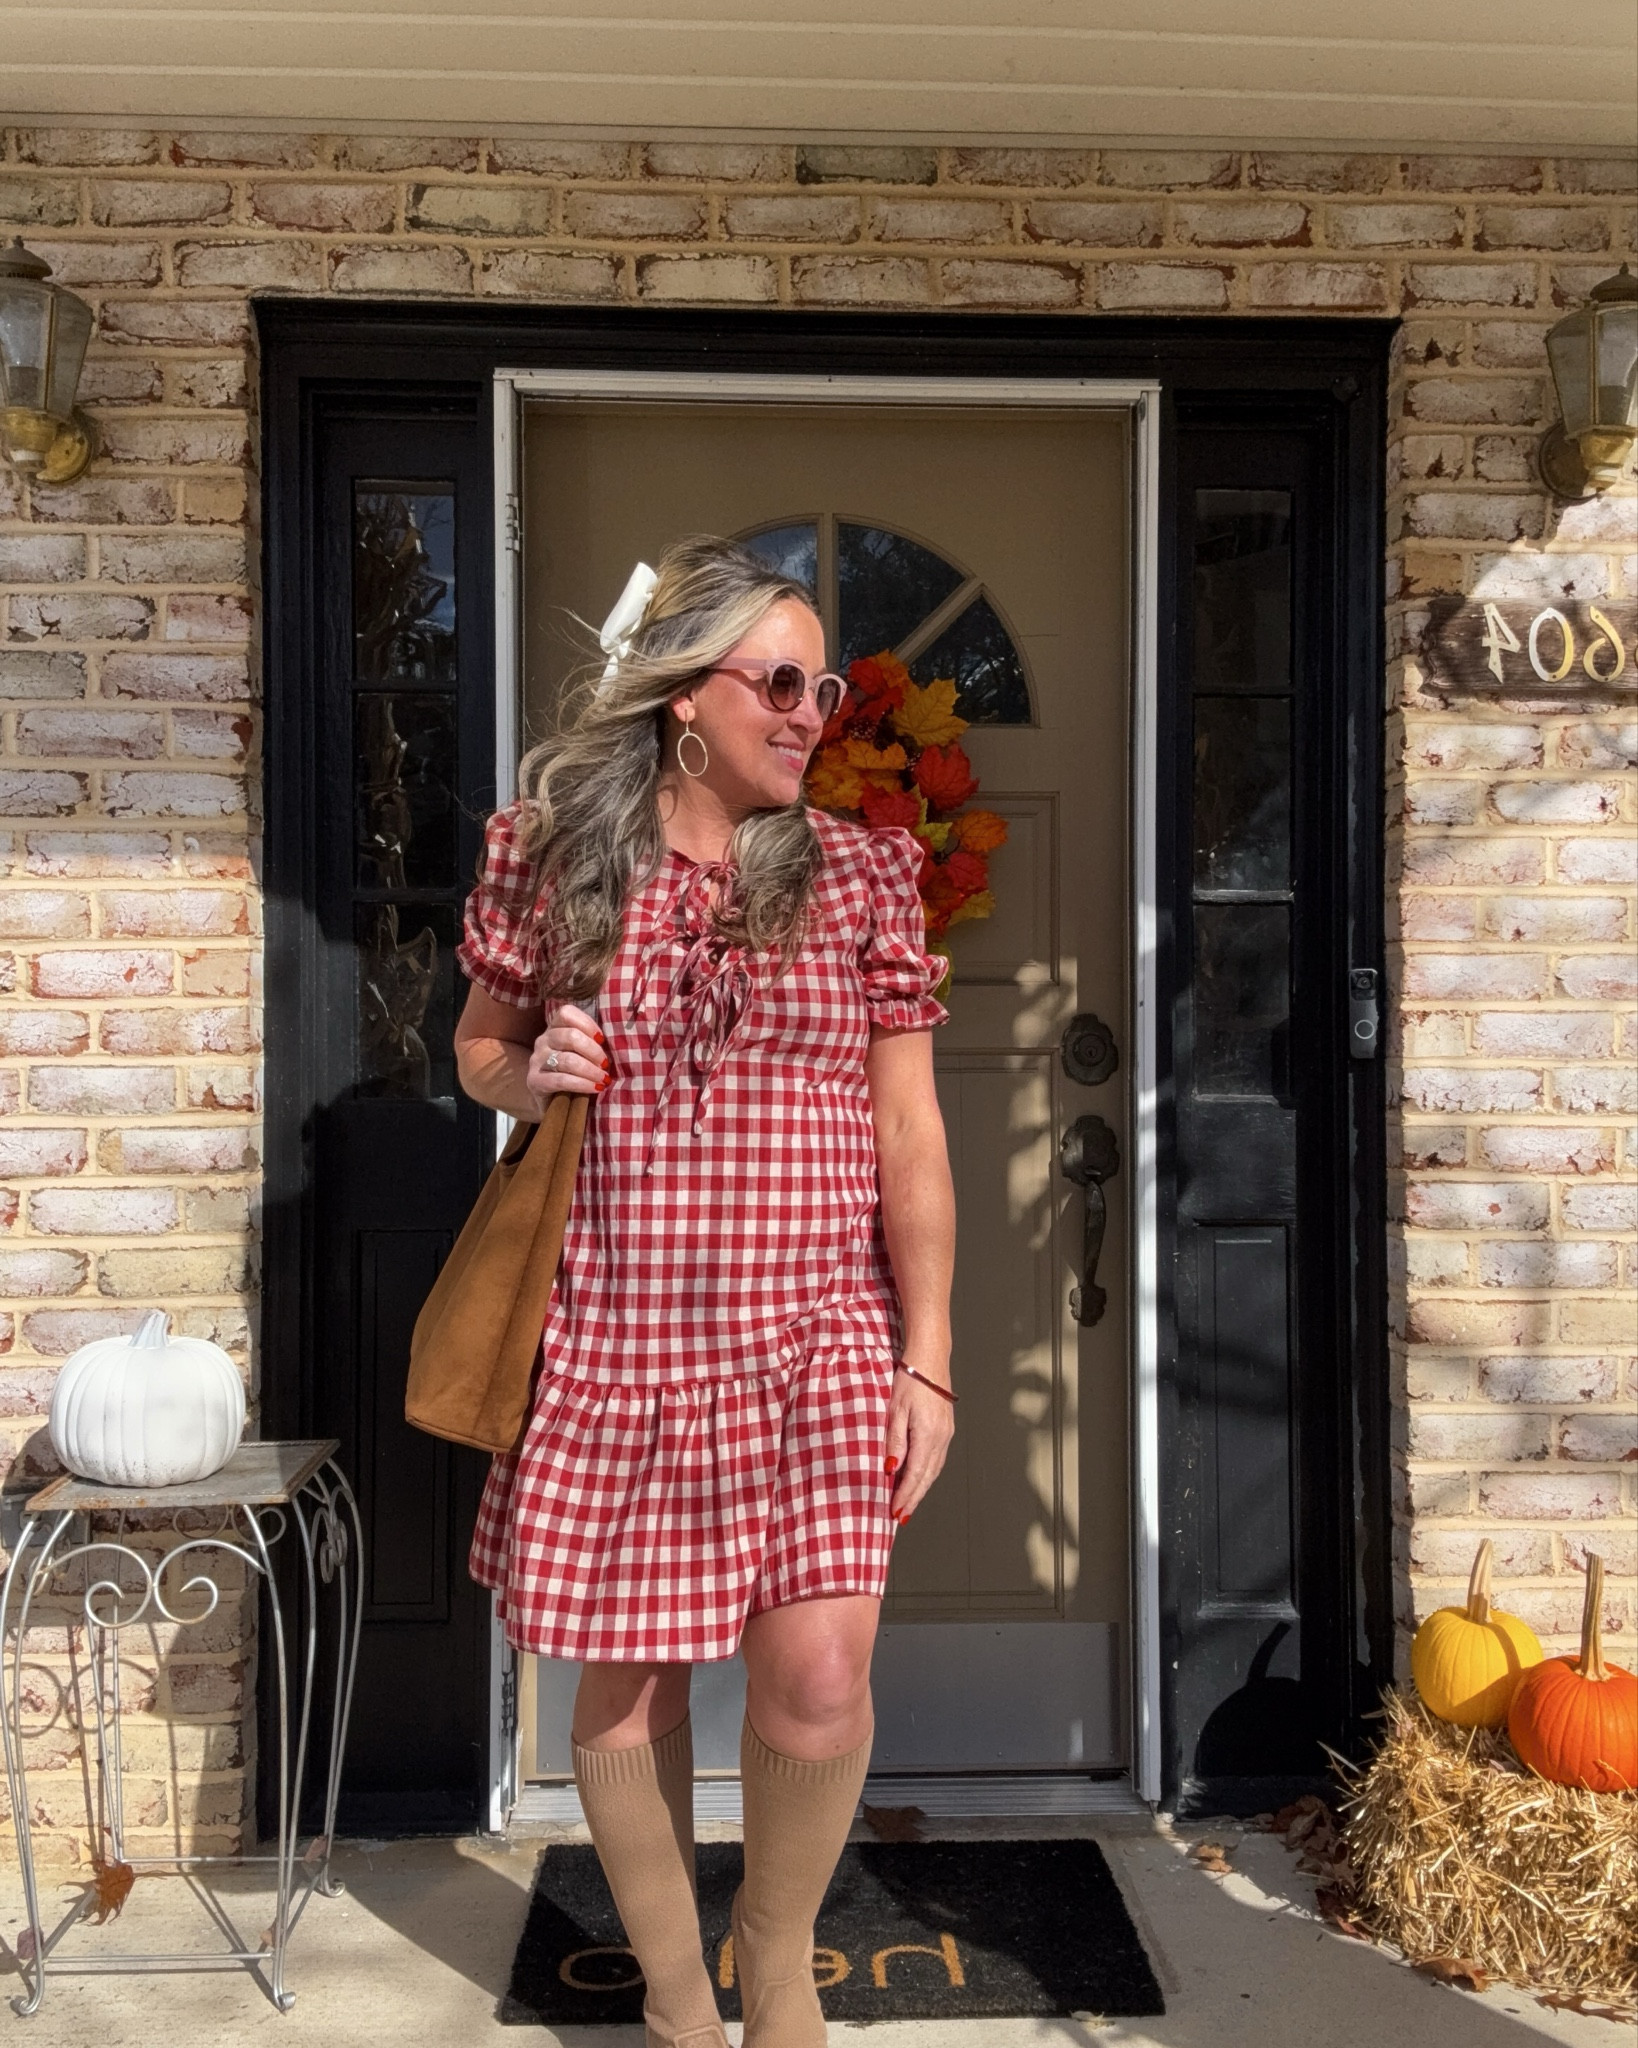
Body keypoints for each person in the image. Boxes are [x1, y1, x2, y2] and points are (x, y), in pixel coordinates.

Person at [453, 534, 956, 2048]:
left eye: (825, 687)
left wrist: (925, 1358)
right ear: (686, 697)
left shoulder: (863, 873)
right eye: (780, 681)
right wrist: (527, 1068)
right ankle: (678, 2003)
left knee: (820, 1677)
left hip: (815, 1336)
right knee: (622, 1703)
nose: (812, 712)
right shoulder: (553, 861)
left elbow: (908, 1132)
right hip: (620, 1340)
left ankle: (778, 1962)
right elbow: (478, 1048)